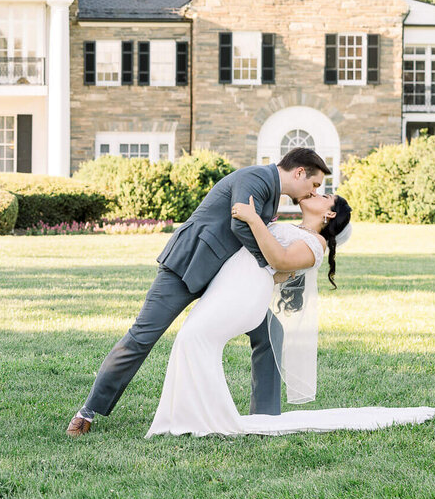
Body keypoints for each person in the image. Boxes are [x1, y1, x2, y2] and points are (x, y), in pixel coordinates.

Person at [146, 192, 435, 436]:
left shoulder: (314, 245)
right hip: (236, 293)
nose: (316, 192)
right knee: (191, 339)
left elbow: (282, 262)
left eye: (324, 195)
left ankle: (205, 418)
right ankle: (192, 414)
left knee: (195, 339)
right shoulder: (295, 229)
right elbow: (273, 272)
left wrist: (254, 220)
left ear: (328, 213)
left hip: (245, 301)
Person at [66, 148, 329, 438]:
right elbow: (239, 224)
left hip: (224, 281)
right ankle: (87, 411)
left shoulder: (270, 194)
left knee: (270, 331)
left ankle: (264, 417)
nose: (312, 191)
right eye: (314, 184)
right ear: (300, 172)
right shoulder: (256, 177)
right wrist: (270, 266)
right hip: (187, 267)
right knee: (142, 335)